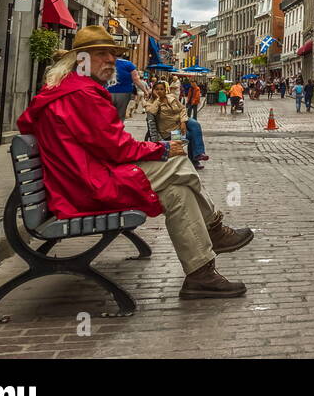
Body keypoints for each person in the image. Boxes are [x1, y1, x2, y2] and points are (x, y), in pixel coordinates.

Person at [17, 25, 252, 299]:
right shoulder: (83, 95)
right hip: (86, 187)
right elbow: (117, 147)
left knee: (178, 193)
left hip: (77, 180)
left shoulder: (72, 89)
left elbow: (107, 146)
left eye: (113, 54)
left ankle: (200, 274)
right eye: (102, 54)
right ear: (80, 60)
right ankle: (215, 229)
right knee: (177, 163)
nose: (111, 60)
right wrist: (162, 148)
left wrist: (160, 149)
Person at [145, 81, 207, 170]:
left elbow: (182, 109)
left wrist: (183, 122)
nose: (159, 91)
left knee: (195, 124)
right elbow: (151, 113)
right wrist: (158, 100)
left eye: (161, 89)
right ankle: (195, 159)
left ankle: (199, 154)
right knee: (190, 135)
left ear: (165, 90)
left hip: (180, 121)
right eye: (156, 89)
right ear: (152, 90)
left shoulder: (172, 97)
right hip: (170, 131)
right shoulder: (151, 104)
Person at [106, 53, 145, 119]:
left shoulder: (107, 63)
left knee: (108, 113)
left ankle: (108, 127)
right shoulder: (129, 64)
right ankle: (118, 127)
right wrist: (145, 91)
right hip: (124, 92)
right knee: (120, 113)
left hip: (108, 91)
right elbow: (135, 79)